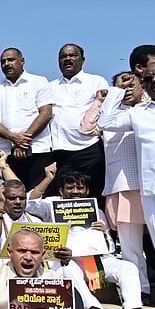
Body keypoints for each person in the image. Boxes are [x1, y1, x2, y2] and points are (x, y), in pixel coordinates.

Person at [98, 63, 155, 309]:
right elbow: (106, 122)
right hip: (154, 193)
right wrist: (116, 92)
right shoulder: (137, 115)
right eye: (148, 78)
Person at [0, 180, 121, 309]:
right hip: (4, 278)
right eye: (12, 198)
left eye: (22, 198)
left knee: (68, 272)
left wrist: (63, 257)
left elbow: (48, 258)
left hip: (35, 279)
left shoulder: (37, 222)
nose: (18, 202)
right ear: (3, 198)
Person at [39, 171, 155, 309]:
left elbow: (109, 249)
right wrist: (48, 179)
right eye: (70, 187)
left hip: (95, 262)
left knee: (128, 267)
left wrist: (104, 233)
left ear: (87, 191)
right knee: (67, 268)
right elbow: (28, 203)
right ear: (61, 191)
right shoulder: (50, 206)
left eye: (80, 188)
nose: (75, 191)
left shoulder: (97, 212)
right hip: (69, 261)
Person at [80, 73, 153, 301]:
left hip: (150, 186)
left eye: (133, 83)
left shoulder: (147, 111)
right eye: (122, 84)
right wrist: (102, 101)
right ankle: (141, 289)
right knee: (130, 246)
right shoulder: (110, 115)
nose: (127, 88)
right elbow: (85, 128)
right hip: (121, 187)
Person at [0, 48, 55, 189]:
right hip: (7, 153)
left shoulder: (38, 82)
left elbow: (46, 113)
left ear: (22, 61)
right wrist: (14, 139)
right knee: (13, 196)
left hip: (38, 149)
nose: (6, 64)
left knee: (38, 198)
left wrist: (22, 142)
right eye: (3, 61)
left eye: (11, 60)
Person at [48, 44, 109, 198]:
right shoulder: (50, 87)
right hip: (60, 152)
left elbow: (104, 112)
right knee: (64, 198)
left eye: (72, 55)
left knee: (95, 194)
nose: (68, 59)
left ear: (82, 59)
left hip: (89, 149)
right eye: (63, 57)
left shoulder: (96, 82)